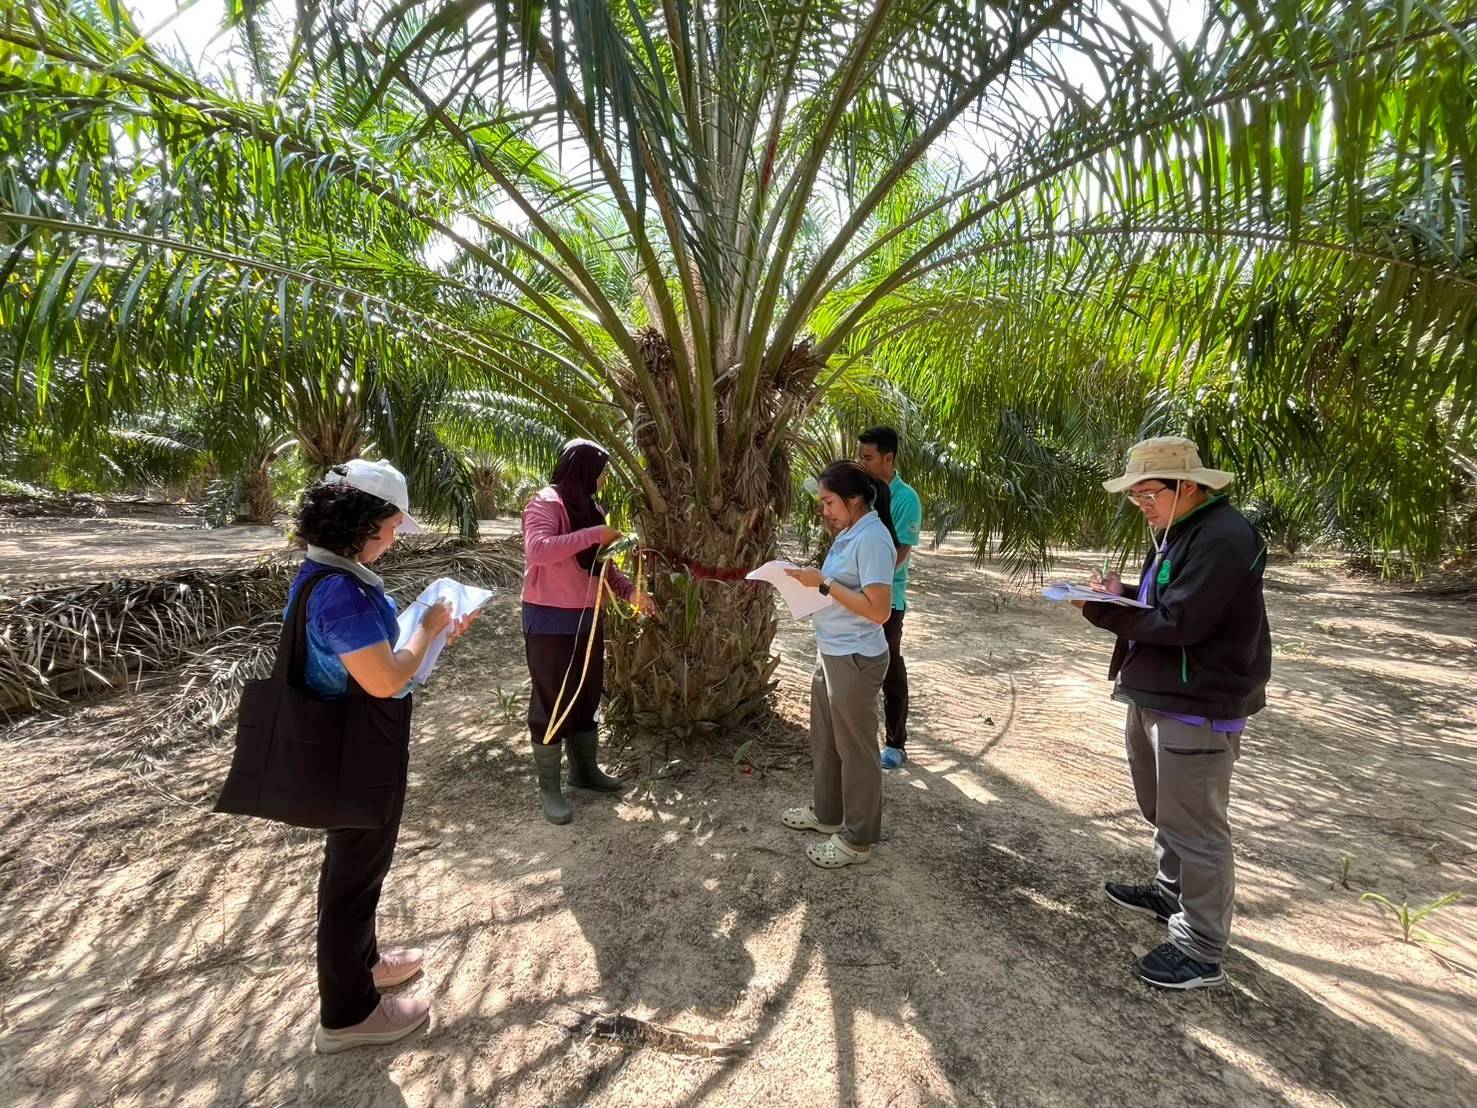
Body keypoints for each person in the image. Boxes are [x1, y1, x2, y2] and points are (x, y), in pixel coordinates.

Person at [289, 459, 477, 1052]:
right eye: (392, 527)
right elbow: (384, 677)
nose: (395, 539)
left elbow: (376, 651)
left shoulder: (333, 573)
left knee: (359, 867)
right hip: (355, 748)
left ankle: (364, 961)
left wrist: (433, 631)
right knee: (353, 876)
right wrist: (428, 626)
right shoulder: (341, 590)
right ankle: (347, 1014)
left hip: (353, 743)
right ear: (361, 522)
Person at [1074, 436, 1270, 990]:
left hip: (1197, 700)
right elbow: (1165, 603)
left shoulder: (1224, 538)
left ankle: (1201, 948)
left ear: (1187, 486)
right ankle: (1170, 891)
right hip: (1159, 690)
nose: (1142, 505)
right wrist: (1123, 594)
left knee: (1198, 826)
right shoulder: (1180, 530)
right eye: (1134, 496)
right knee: (1163, 806)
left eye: (1148, 493)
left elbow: (1183, 623)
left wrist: (1103, 611)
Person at [521, 439, 654, 824]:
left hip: (588, 618)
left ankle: (584, 771)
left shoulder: (591, 509)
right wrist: (596, 534)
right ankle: (550, 788)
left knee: (586, 691)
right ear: (582, 470)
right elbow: (539, 549)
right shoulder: (546, 503)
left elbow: (603, 567)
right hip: (549, 619)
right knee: (553, 697)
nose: (604, 480)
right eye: (601, 472)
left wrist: (632, 594)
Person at [780, 461, 898, 869]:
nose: (824, 511)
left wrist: (824, 584)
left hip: (855, 657)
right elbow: (837, 590)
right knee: (827, 742)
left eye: (829, 502)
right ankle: (828, 814)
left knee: (856, 749)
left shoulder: (873, 539)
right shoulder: (850, 533)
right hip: (831, 650)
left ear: (853, 499)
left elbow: (879, 610)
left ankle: (858, 839)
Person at [857, 426, 922, 768]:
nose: (862, 463)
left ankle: (896, 742)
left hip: (887, 600)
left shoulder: (906, 499)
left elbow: (899, 554)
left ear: (888, 458)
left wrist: (865, 570)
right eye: (860, 457)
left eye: (868, 457)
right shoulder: (862, 492)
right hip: (854, 595)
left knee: (889, 667)